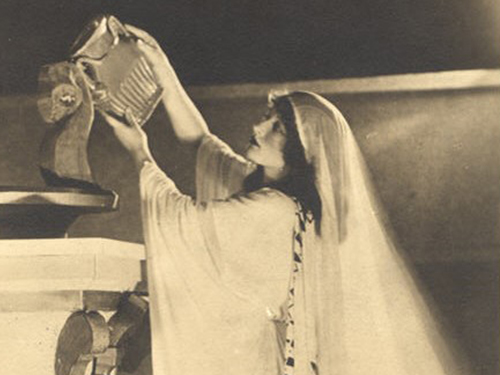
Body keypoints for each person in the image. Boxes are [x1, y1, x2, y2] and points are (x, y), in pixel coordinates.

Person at [101, 25, 468, 375]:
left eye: (276, 127)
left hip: (258, 360)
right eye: (266, 117)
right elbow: (201, 143)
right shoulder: (275, 195)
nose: (258, 128)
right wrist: (162, 70)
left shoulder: (275, 210)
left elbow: (180, 219)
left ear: (302, 152)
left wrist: (140, 152)